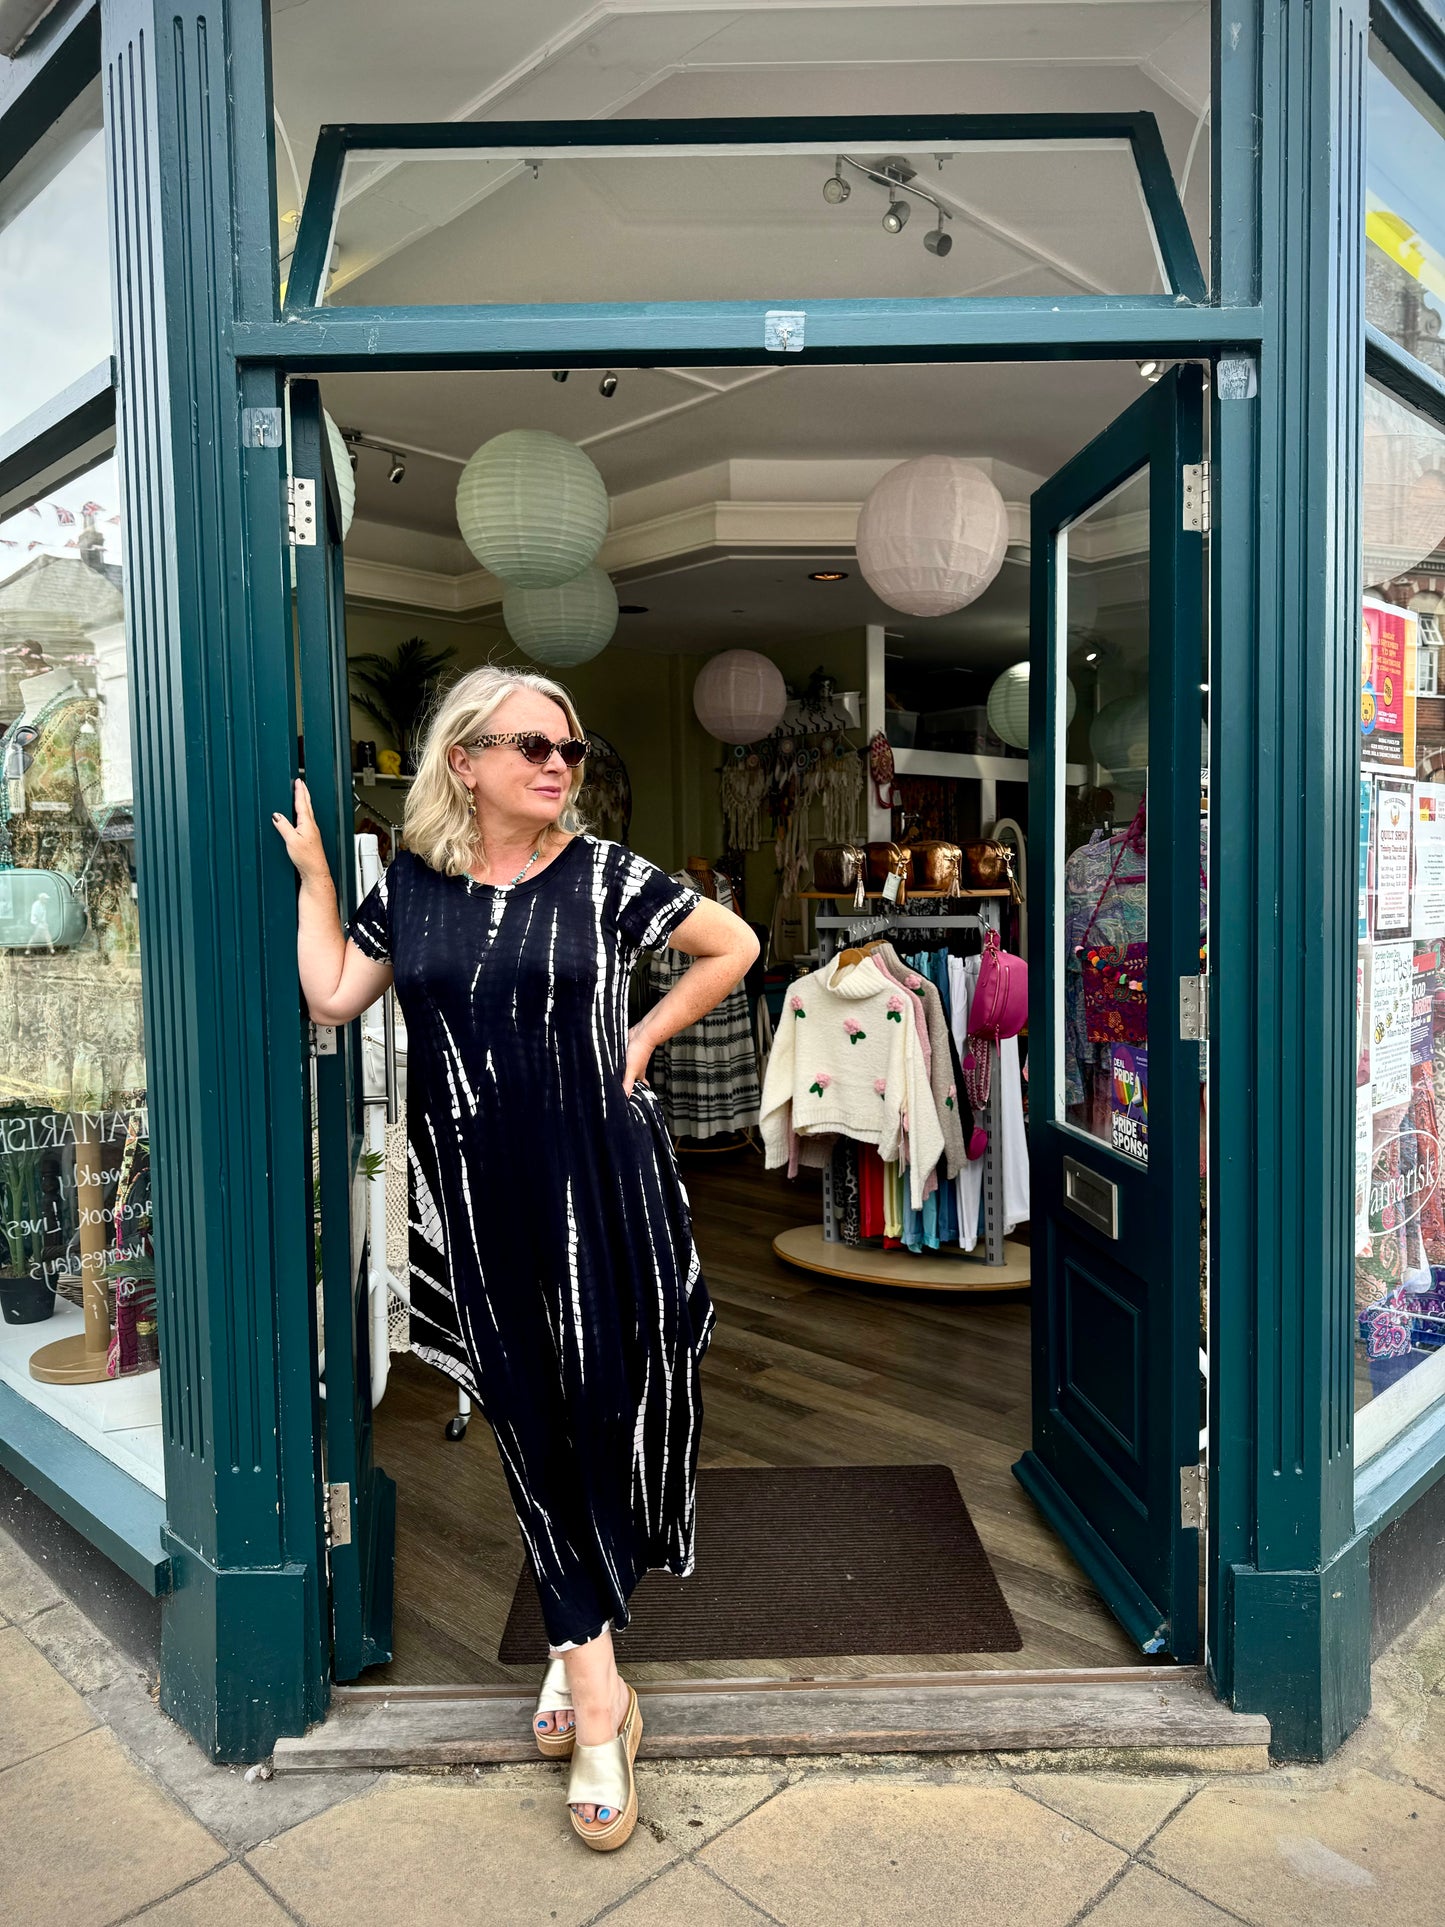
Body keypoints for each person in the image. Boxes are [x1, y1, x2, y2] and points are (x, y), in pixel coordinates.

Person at [272, 664, 757, 1851]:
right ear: (464, 761)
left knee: (602, 1410)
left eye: (570, 749)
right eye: (531, 744)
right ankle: (599, 1697)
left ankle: (574, 1631)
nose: (556, 764)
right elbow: (335, 994)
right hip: (479, 1202)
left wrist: (639, 1031)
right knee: (525, 1417)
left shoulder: (602, 876)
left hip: (603, 1186)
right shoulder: (415, 889)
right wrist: (323, 884)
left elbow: (732, 944)